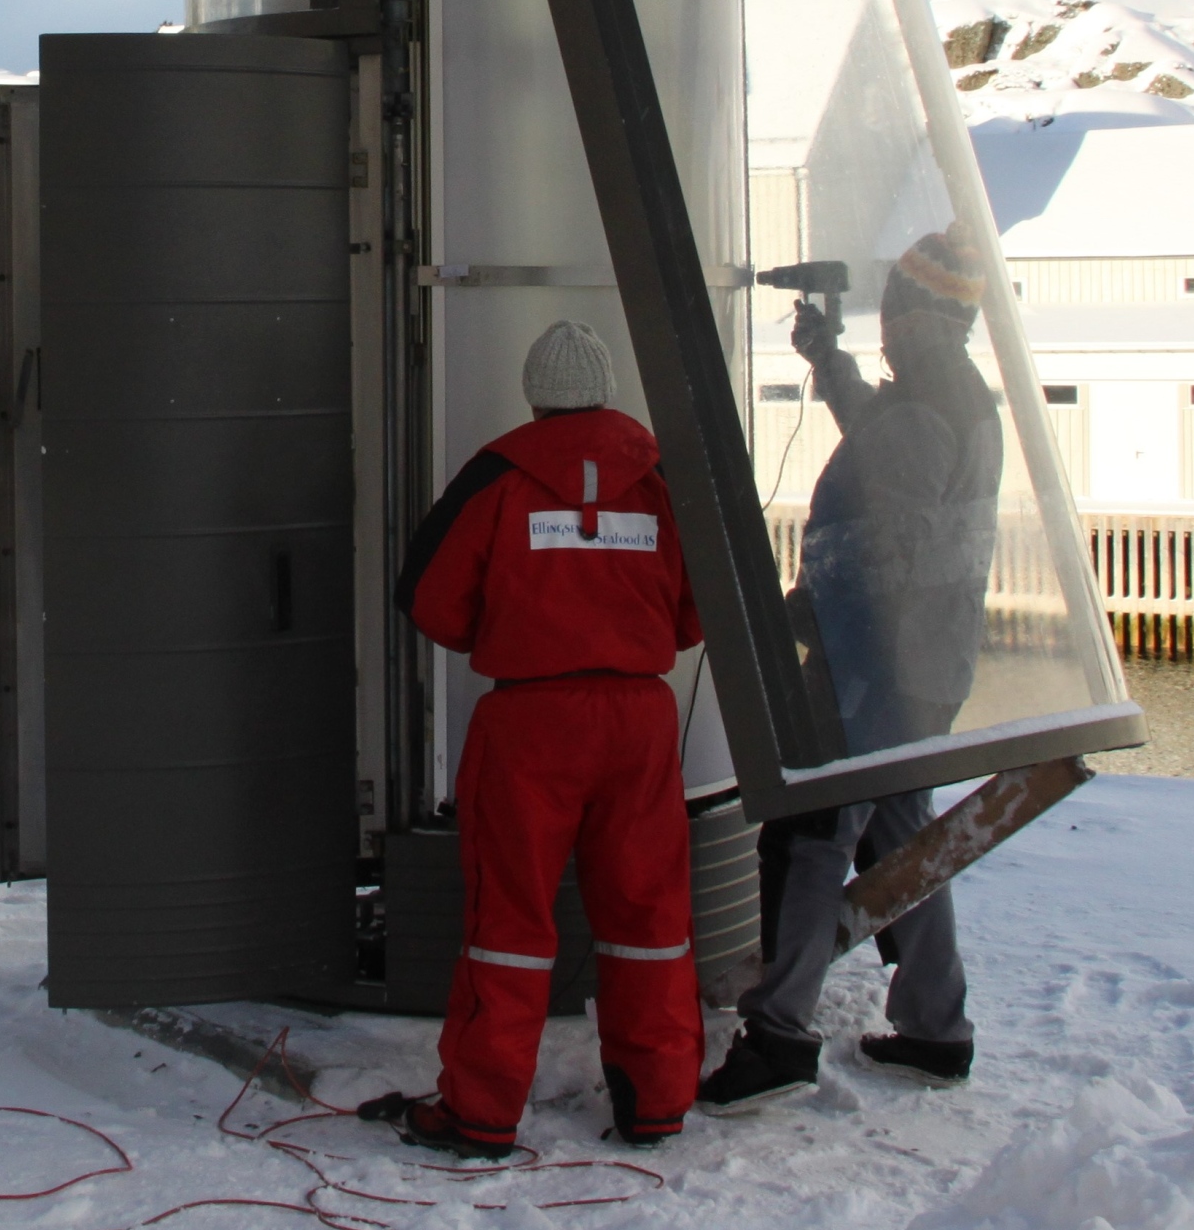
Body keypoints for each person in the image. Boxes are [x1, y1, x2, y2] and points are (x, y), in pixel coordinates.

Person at [360, 320, 705, 1159]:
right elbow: (700, 610)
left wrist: (521, 622)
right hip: (641, 720)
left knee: (507, 917)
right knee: (648, 912)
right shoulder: (664, 476)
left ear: (535, 392)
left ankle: (480, 1111)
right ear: (606, 388)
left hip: (531, 722)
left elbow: (430, 598)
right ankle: (655, 1098)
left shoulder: (499, 473)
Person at [701, 228, 1001, 1112]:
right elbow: (883, 433)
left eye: (896, 311)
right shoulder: (954, 394)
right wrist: (827, 361)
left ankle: (781, 1034)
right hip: (928, 668)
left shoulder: (921, 408)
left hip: (874, 668)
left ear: (918, 316)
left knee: (809, 832)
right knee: (905, 836)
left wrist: (795, 611)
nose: (887, 329)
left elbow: (879, 543)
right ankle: (934, 1027)